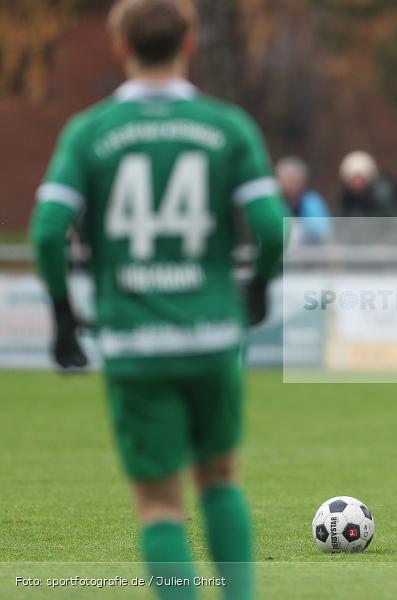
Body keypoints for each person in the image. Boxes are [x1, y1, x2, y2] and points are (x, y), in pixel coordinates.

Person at [29, 1, 286, 598]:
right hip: (211, 335)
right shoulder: (227, 126)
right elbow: (273, 228)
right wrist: (256, 288)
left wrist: (63, 315)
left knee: (159, 503)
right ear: (188, 42)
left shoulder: (89, 131)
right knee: (220, 478)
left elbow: (46, 232)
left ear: (120, 46)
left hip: (133, 340)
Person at [276, 156, 332, 244]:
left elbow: (322, 229)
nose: (288, 184)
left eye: (292, 179)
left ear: (302, 181)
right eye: (284, 179)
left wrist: (295, 227)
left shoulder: (312, 200)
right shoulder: (274, 202)